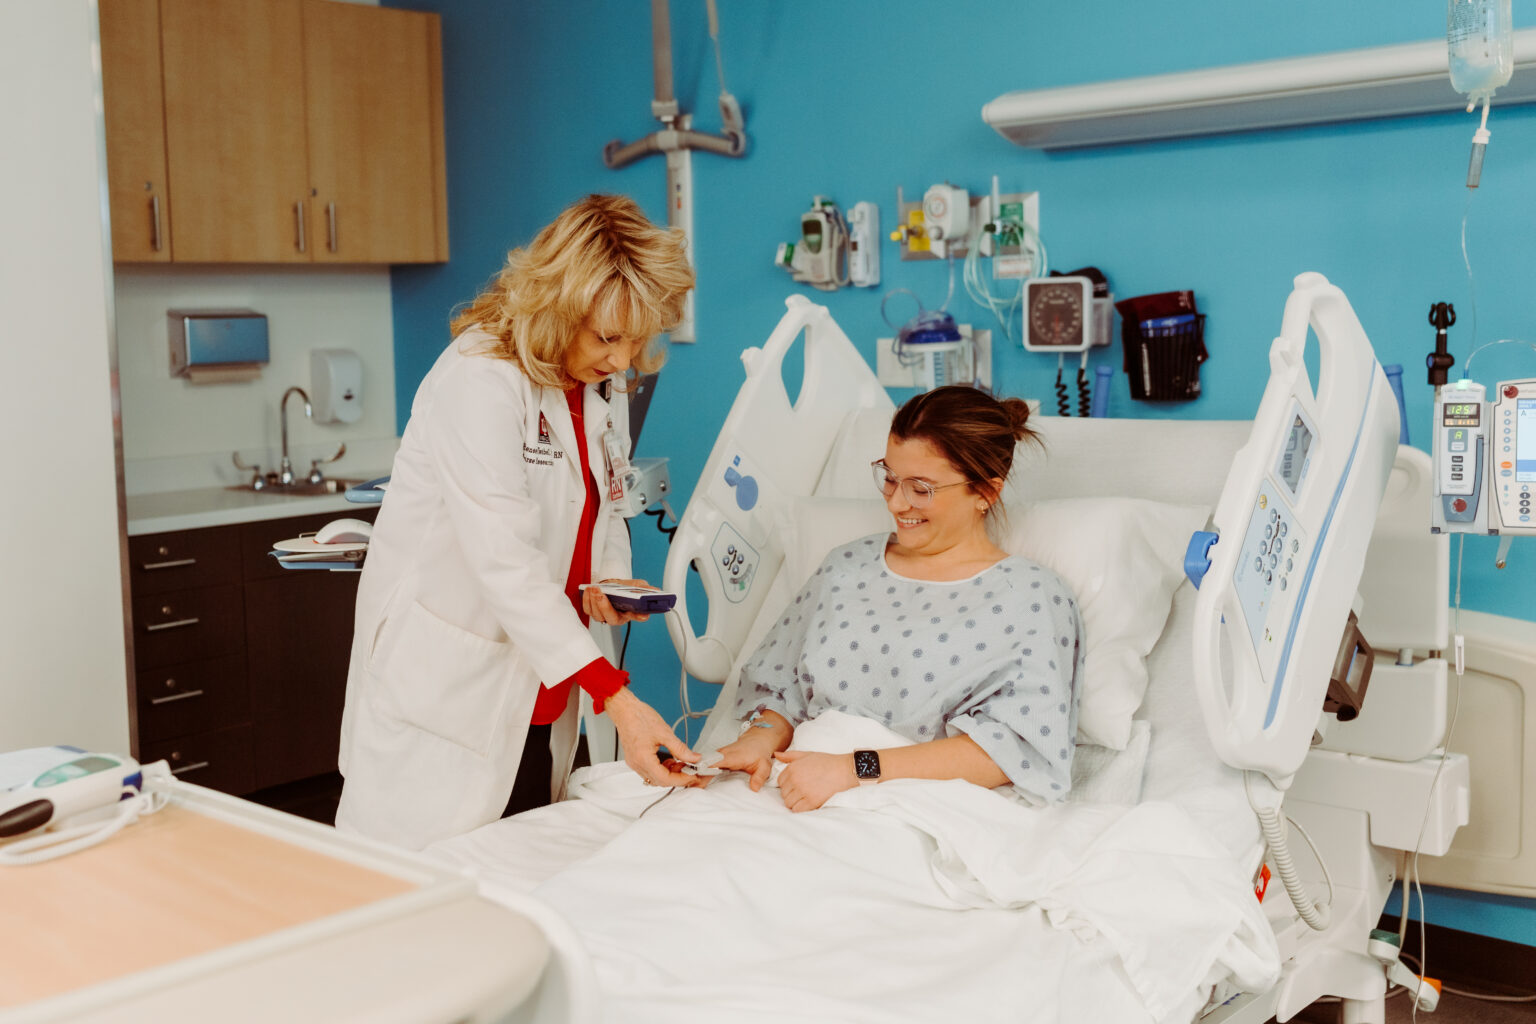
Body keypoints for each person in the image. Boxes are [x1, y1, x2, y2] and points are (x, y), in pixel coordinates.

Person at [336, 194, 700, 850]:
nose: (624, 360)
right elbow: (505, 561)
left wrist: (609, 579)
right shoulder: (478, 378)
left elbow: (604, 502)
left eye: (636, 339)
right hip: (449, 686)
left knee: (517, 862)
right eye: (608, 337)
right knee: (417, 877)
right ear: (558, 307)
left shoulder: (597, 383)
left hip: (542, 680)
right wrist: (617, 697)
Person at [707, 386, 1086, 812]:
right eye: (889, 478)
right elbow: (781, 688)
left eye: (921, 489)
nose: (896, 503)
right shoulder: (846, 566)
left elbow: (1015, 749)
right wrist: (758, 740)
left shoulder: (1030, 596)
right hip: (795, 779)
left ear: (986, 492)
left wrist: (852, 769)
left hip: (916, 802)